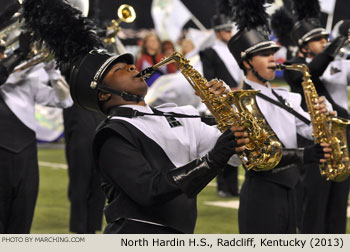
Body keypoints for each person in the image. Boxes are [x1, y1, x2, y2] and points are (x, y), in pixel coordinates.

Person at [227, 0, 332, 234]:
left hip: (292, 189)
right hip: (261, 193)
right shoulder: (237, 105)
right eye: (264, 54)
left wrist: (323, 117)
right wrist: (305, 154)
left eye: (273, 52)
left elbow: (310, 131)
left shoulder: (287, 98)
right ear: (246, 62)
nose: (273, 58)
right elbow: (239, 158)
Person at [277, 0, 350, 234]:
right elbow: (312, 71)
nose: (324, 42)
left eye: (326, 38)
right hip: (313, 141)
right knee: (314, 203)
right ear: (303, 46)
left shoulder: (337, 63)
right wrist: (339, 40)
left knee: (338, 202)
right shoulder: (294, 66)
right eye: (319, 39)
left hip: (340, 139)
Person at [0, 44, 73, 233]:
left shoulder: (26, 82)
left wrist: (53, 72)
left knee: (21, 222)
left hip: (26, 158)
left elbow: (64, 100)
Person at [199, 0, 244, 197]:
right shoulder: (208, 52)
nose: (229, 33)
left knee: (238, 141)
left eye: (230, 29)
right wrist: (231, 89)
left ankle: (232, 187)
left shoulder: (236, 49)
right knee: (223, 141)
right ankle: (222, 186)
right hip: (222, 102)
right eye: (226, 30)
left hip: (237, 102)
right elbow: (208, 79)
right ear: (217, 32)